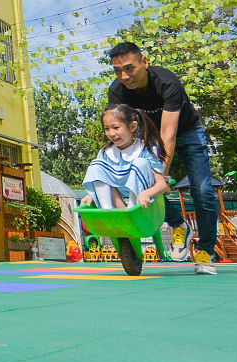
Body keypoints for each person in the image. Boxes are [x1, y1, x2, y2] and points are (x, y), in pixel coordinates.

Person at [107, 42, 218, 275]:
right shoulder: (117, 92)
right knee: (139, 185)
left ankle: (206, 252)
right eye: (117, 70)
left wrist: (163, 177)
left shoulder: (167, 83)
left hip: (187, 133)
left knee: (202, 189)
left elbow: (169, 135)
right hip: (150, 137)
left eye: (129, 68)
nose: (124, 76)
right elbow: (120, 131)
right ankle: (178, 224)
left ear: (144, 62)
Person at [80, 103, 168, 210]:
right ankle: (108, 212)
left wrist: (146, 193)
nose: (111, 133)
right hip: (117, 203)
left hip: (140, 205)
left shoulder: (144, 149)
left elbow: (162, 185)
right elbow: (100, 178)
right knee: (96, 165)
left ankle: (131, 211)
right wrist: (92, 195)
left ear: (132, 127)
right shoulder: (105, 153)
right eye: (107, 129)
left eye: (116, 127)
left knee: (140, 163)